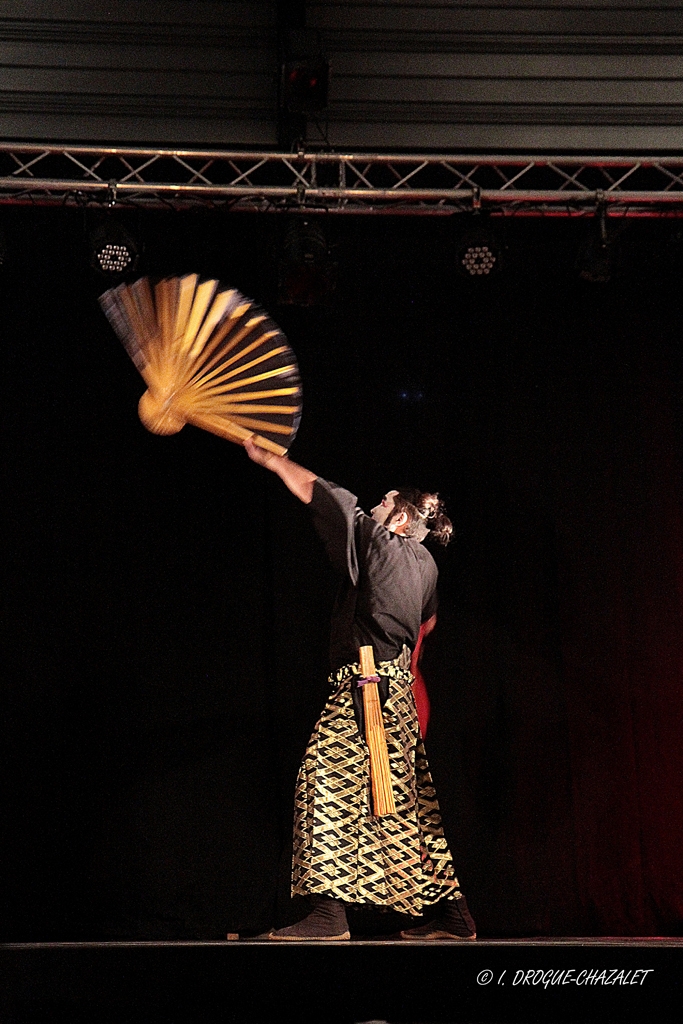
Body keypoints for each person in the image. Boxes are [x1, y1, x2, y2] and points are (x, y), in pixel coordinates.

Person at [244, 437, 476, 941]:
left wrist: (272, 460)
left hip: (363, 690)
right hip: (397, 692)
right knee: (404, 803)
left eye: (383, 503)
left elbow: (319, 492)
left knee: (323, 784)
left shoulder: (378, 542)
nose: (374, 507)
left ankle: (327, 917)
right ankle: (453, 915)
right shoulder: (427, 565)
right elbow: (426, 627)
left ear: (398, 519)